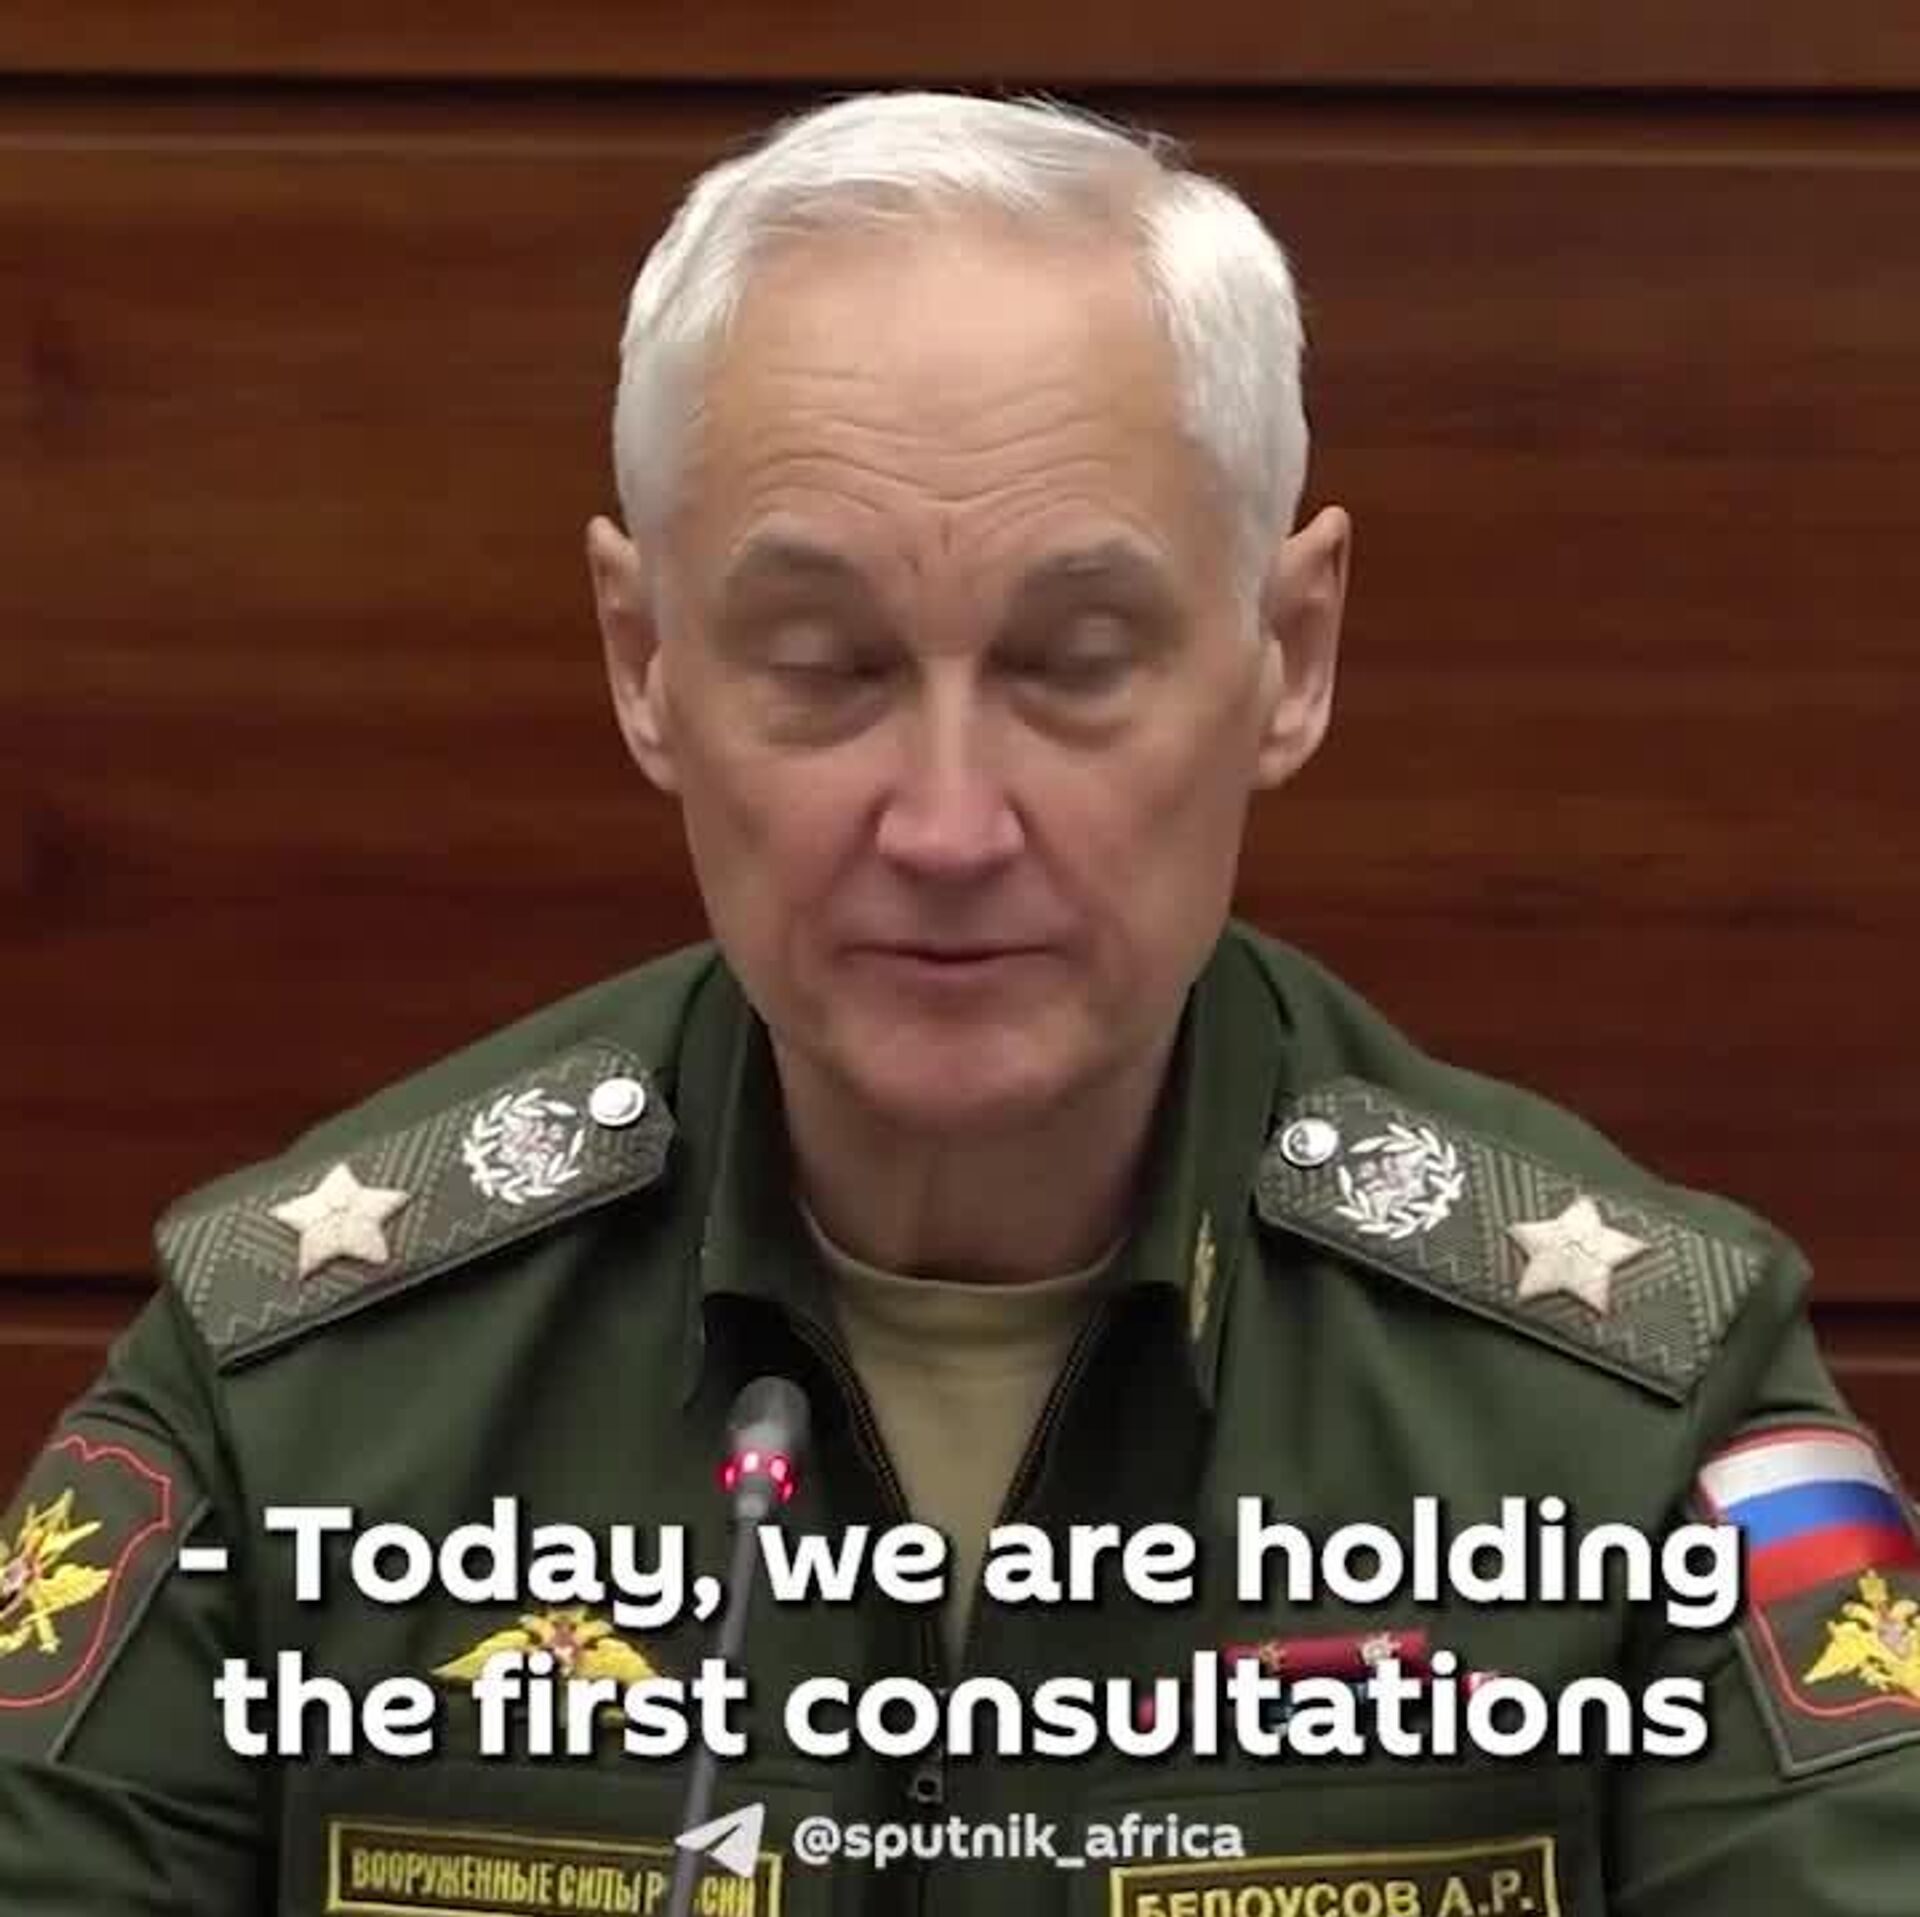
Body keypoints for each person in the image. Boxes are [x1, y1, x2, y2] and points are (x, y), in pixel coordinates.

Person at [2, 90, 1915, 1917]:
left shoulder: (1628, 1414)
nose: (944, 823)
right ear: (645, 662)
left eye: (1074, 663)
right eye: (825, 664)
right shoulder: (302, 1391)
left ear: (1289, 652)